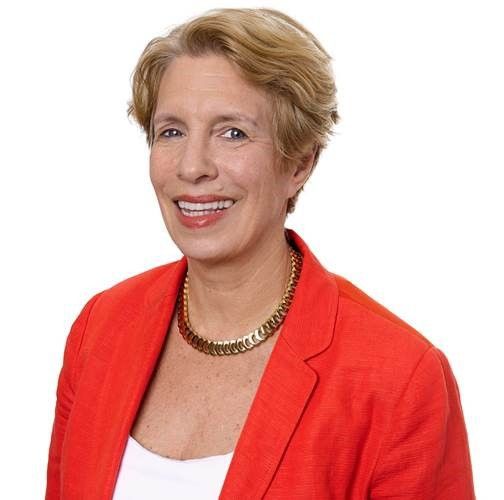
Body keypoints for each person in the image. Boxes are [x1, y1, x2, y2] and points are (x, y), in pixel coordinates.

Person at [45, 7, 475, 499]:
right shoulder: (101, 327)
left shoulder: (399, 377)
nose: (192, 166)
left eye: (232, 132)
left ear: (299, 164)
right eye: (172, 131)